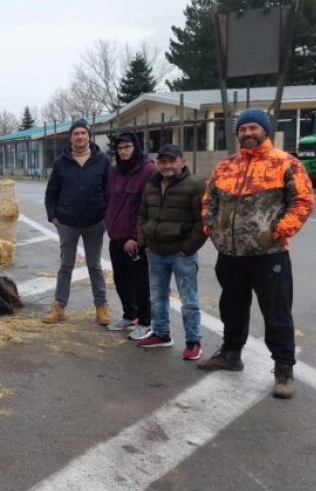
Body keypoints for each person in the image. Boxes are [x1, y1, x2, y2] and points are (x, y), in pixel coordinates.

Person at [199, 109, 314, 399]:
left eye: (253, 128)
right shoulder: (226, 167)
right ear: (237, 133)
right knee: (232, 308)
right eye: (243, 129)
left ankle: (284, 369)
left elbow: (302, 201)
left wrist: (278, 230)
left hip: (269, 254)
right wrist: (210, 227)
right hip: (230, 253)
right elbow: (209, 199)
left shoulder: (285, 163)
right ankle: (230, 354)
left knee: (276, 313)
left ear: (265, 130)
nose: (248, 133)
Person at [136, 145, 208, 358]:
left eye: (171, 161)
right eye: (162, 161)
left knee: (189, 300)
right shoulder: (152, 185)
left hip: (181, 254)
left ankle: (193, 341)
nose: (167, 166)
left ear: (182, 162)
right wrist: (144, 241)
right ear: (157, 164)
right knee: (157, 297)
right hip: (155, 252)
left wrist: (187, 249)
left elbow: (204, 221)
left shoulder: (195, 185)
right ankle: (161, 334)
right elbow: (142, 215)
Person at [43, 119, 111, 326]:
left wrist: (107, 216)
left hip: (95, 222)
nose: (80, 137)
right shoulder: (61, 162)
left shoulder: (102, 160)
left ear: (89, 136)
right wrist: (53, 216)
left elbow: (109, 190)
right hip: (68, 223)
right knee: (66, 266)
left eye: (83, 133)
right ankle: (59, 307)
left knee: (94, 266)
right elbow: (51, 192)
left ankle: (101, 307)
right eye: (76, 133)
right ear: (71, 137)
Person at [105, 132, 156, 340]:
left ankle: (145, 322)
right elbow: (109, 199)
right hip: (116, 235)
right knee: (121, 279)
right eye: (120, 148)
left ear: (136, 147)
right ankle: (129, 315)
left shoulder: (149, 171)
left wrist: (137, 236)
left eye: (128, 147)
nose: (124, 151)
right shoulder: (115, 172)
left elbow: (150, 207)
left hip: (135, 238)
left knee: (141, 282)